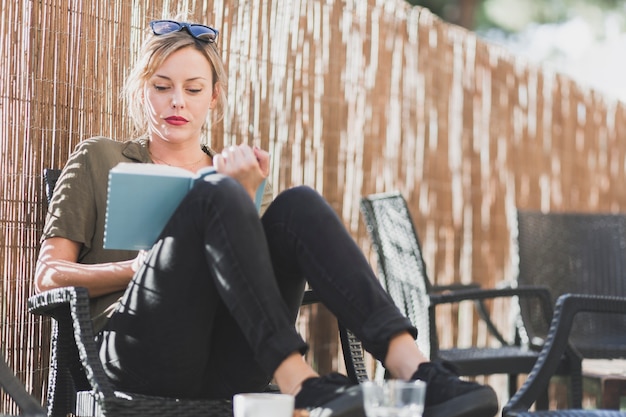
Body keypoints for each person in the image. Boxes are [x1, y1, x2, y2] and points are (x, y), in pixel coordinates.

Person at [35, 18, 499, 417]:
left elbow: (252, 288)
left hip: (231, 359)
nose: (177, 101)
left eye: (193, 89)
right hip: (139, 351)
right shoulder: (100, 158)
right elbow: (49, 278)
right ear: (142, 91)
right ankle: (301, 381)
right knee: (217, 190)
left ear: (213, 97)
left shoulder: (234, 170)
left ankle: (415, 368)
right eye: (162, 87)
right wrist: (136, 268)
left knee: (297, 204)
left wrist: (247, 195)